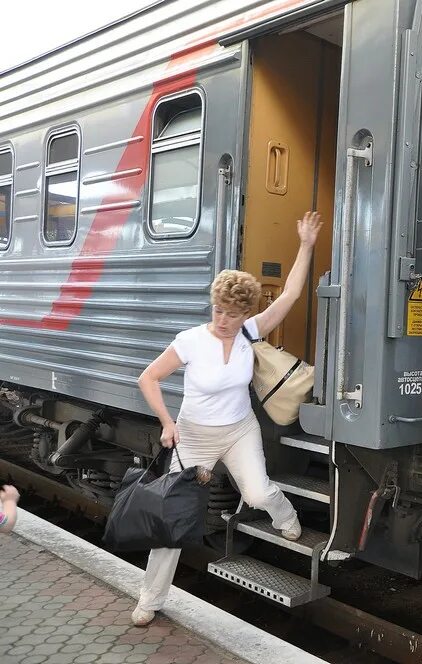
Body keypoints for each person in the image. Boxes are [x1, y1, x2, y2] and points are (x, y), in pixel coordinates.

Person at [132, 210, 323, 626]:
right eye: (218, 310)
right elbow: (149, 378)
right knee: (174, 518)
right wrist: (167, 422)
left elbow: (290, 295)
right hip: (195, 438)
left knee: (258, 495)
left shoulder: (250, 332)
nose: (222, 320)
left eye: (231, 314)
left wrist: (306, 245)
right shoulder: (190, 341)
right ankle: (150, 599)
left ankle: (287, 518)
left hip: (239, 432)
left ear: (244, 314)